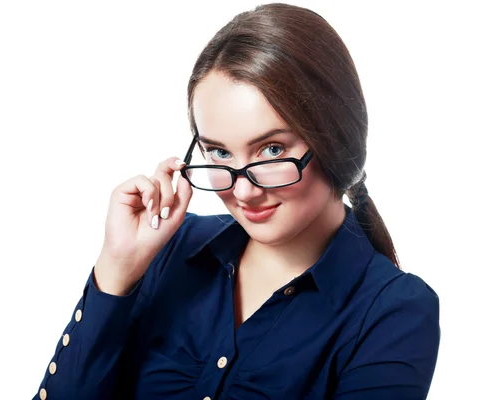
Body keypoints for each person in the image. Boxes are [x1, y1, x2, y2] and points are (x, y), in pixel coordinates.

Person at [32, 3, 440, 399]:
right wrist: (117, 271)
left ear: (336, 137)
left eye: (272, 151)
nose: (242, 191)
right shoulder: (169, 249)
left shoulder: (394, 313)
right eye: (220, 153)